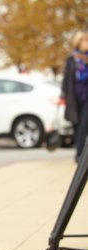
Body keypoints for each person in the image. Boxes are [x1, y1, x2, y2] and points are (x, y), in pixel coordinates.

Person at [61, 30, 88, 162]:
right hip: (74, 98)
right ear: (79, 42)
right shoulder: (72, 60)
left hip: (86, 98)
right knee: (76, 127)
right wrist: (63, 95)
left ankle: (80, 156)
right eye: (85, 41)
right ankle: (79, 152)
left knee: (84, 126)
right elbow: (66, 79)